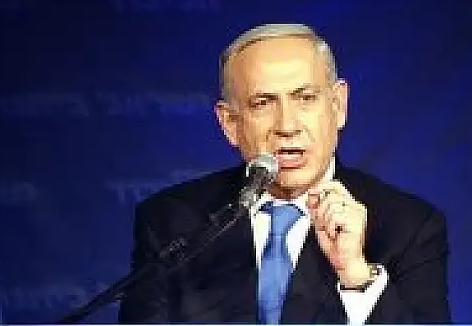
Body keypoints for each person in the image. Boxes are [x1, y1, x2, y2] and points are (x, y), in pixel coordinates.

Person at [117, 23, 451, 324]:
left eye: (305, 98)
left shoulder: (407, 227)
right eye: (262, 103)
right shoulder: (172, 223)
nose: (287, 126)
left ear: (338, 106)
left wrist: (357, 279)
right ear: (230, 124)